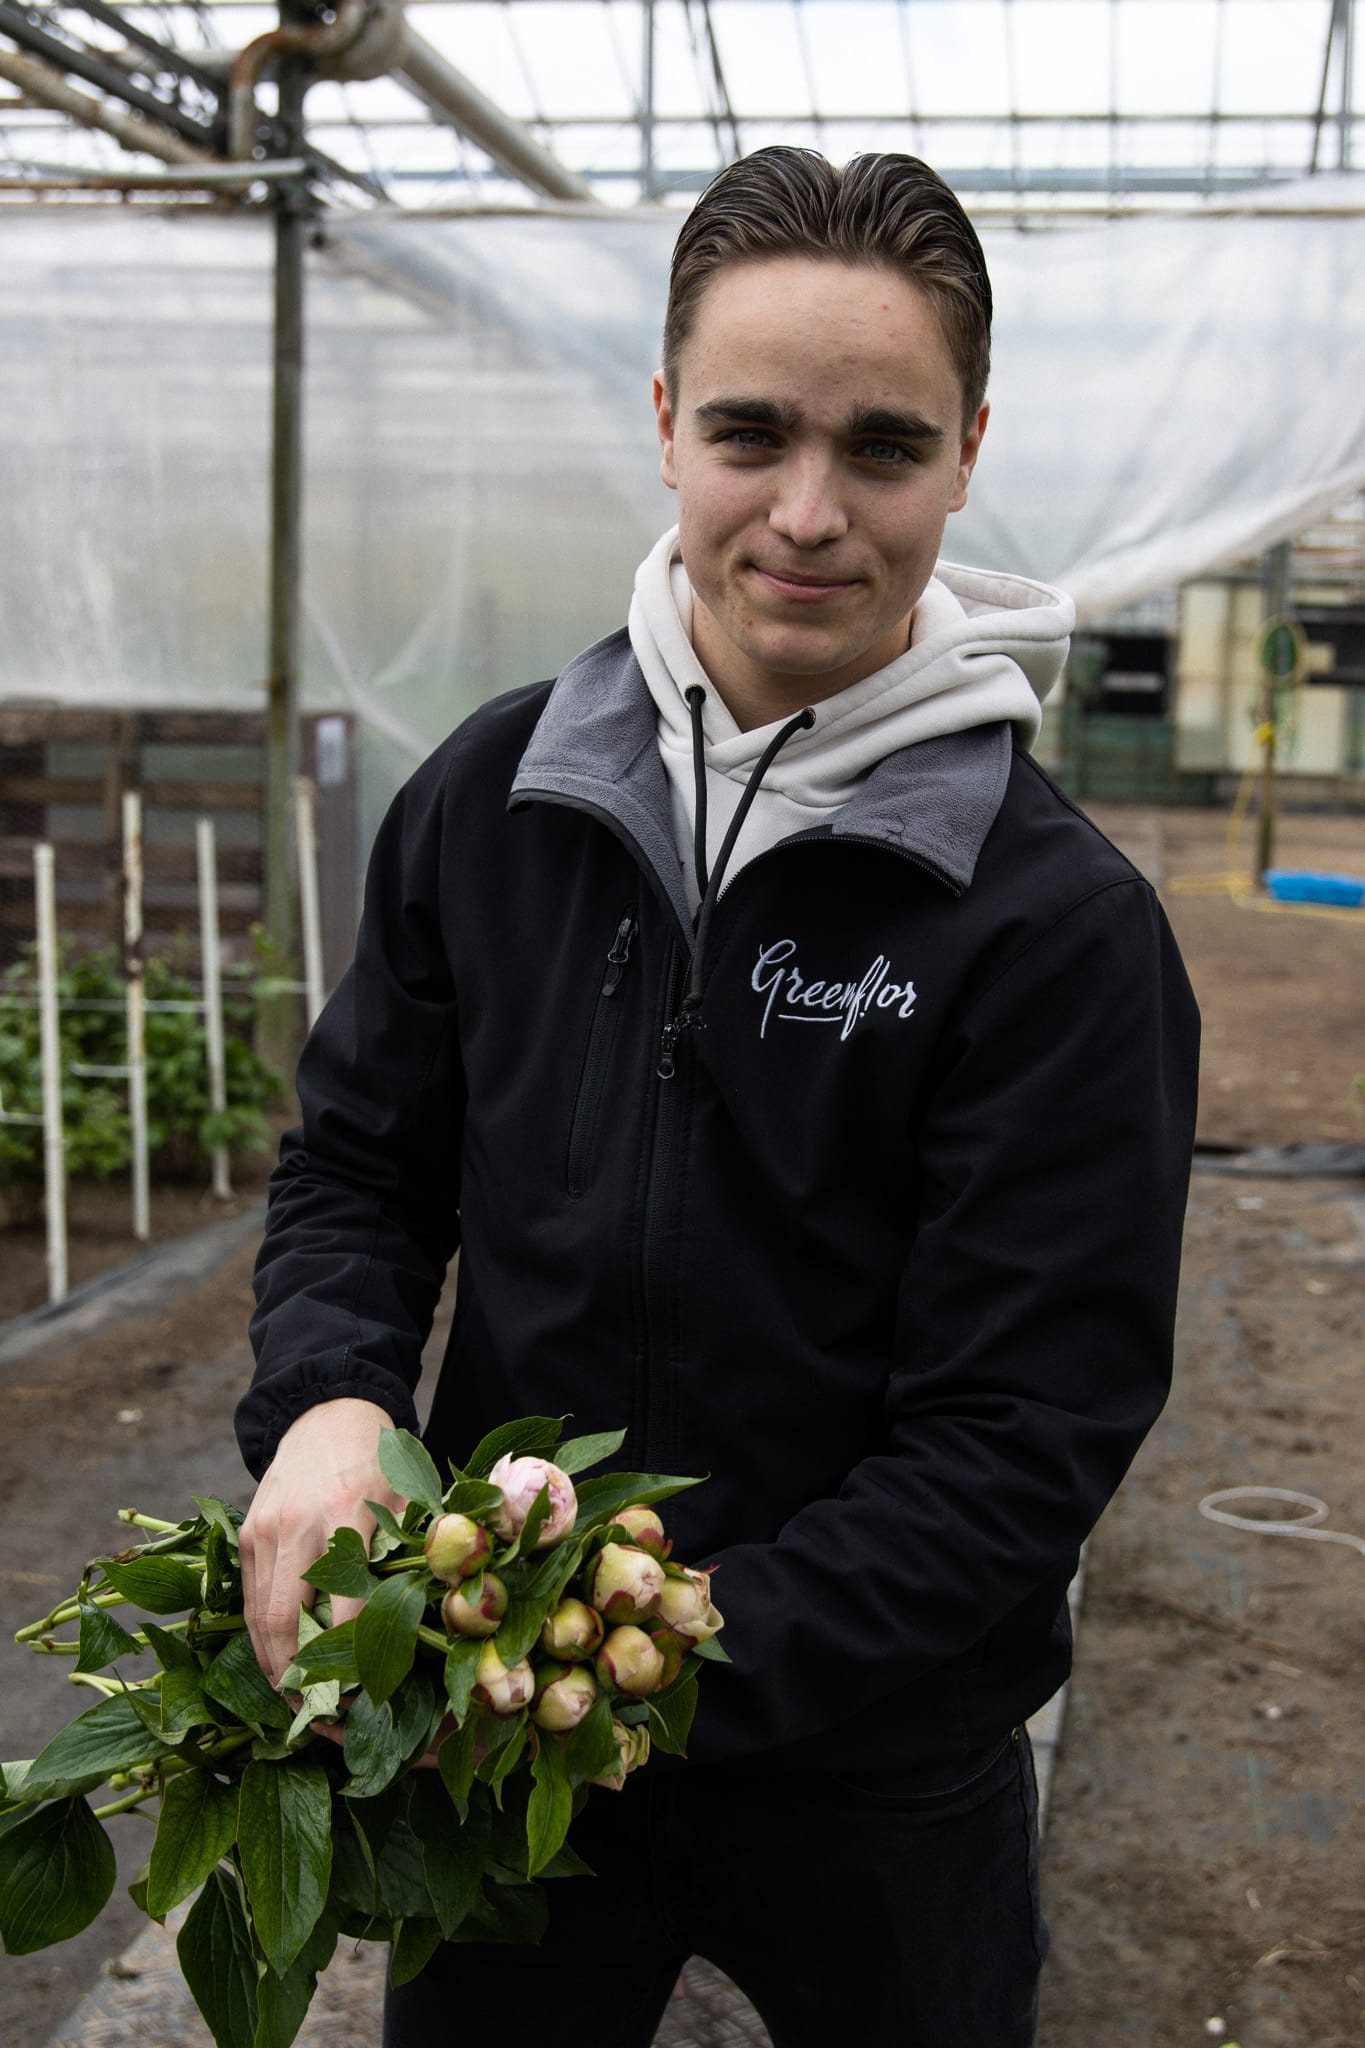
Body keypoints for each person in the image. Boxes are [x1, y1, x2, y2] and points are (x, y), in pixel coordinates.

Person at [238, 147, 1199, 2047]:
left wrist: (647, 1643)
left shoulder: (1048, 926)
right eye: (750, 432)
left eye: (884, 448)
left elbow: (1021, 1429)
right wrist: (335, 1400)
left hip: (874, 1761)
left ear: (969, 447)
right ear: (666, 421)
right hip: (499, 1721)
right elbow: (357, 1162)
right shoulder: (494, 802)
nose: (809, 515)